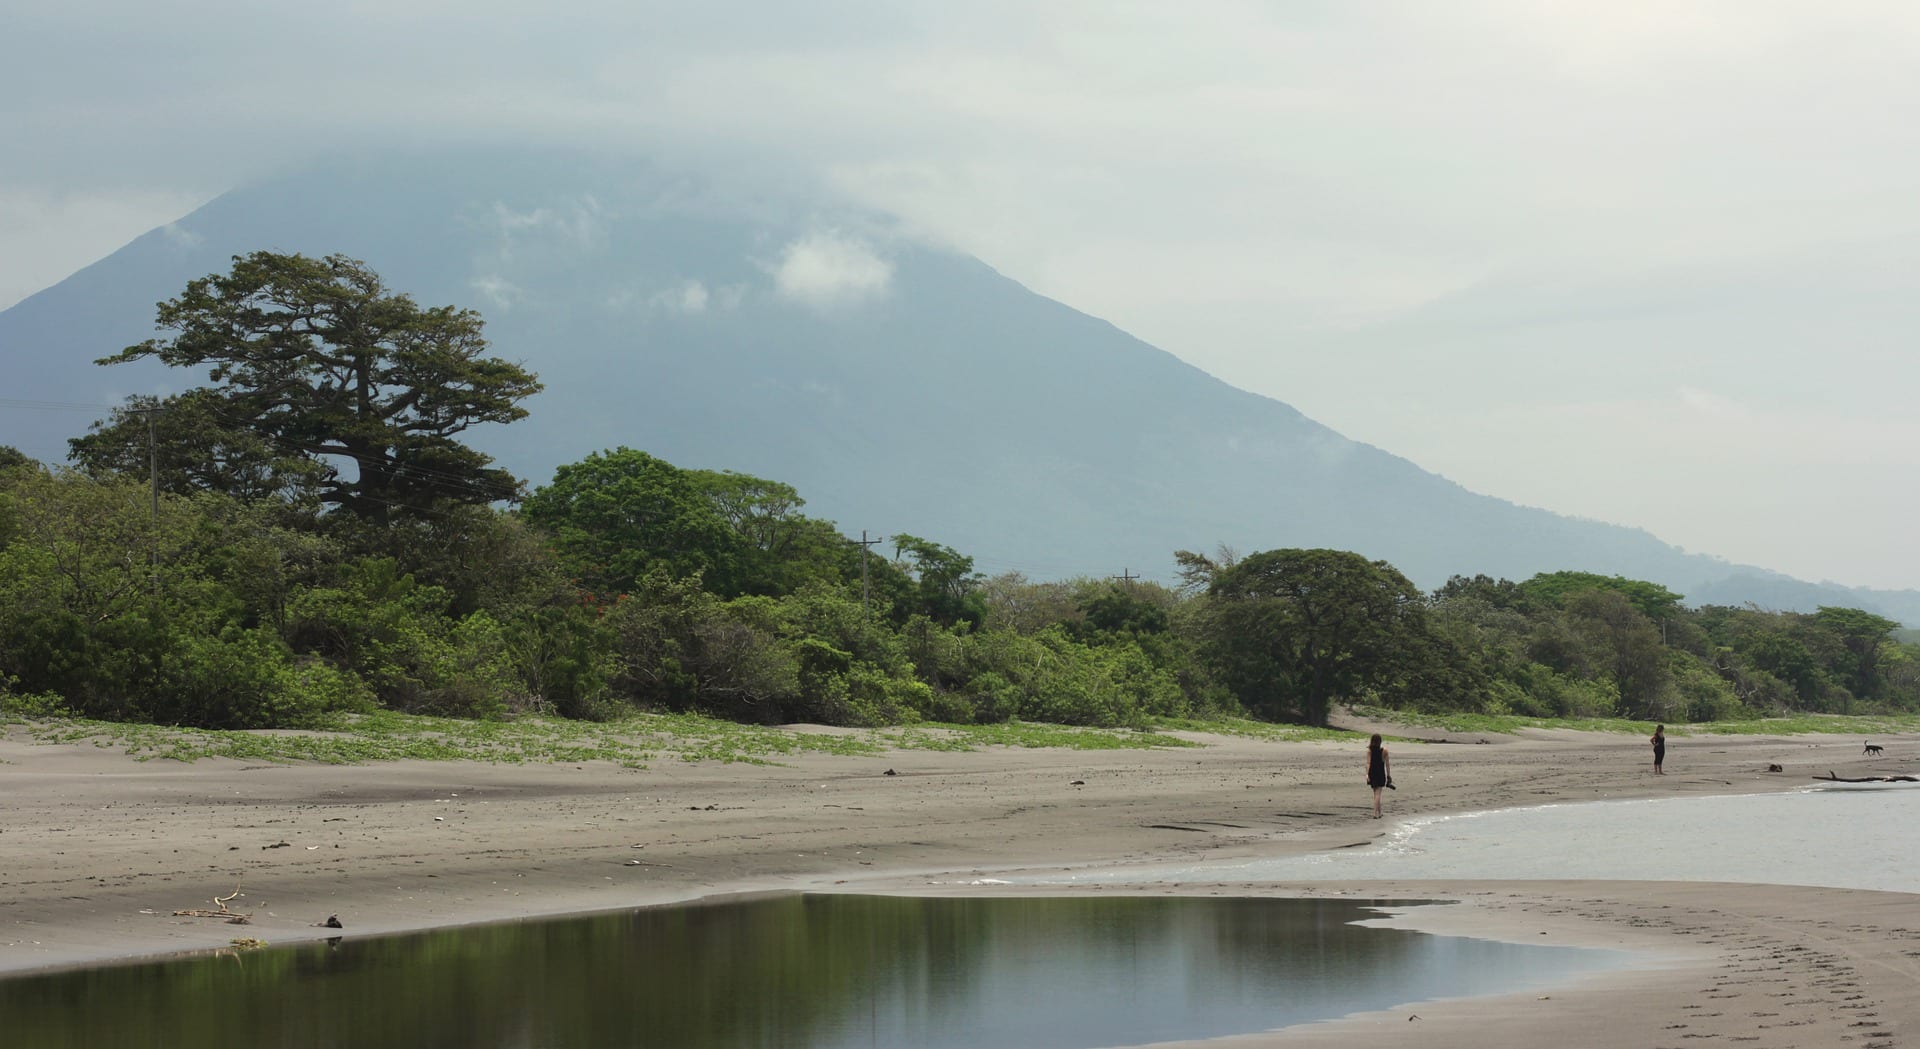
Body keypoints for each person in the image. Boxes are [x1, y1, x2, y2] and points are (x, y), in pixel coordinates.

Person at [1366, 734, 1391, 818]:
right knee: (1378, 794)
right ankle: (1375, 813)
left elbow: (1368, 763)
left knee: (1375, 794)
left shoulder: (1370, 750)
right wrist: (1388, 775)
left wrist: (1367, 774)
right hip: (1380, 773)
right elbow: (1387, 765)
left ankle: (1379, 812)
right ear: (1380, 741)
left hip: (1372, 772)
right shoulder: (1385, 751)